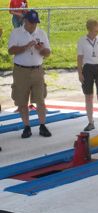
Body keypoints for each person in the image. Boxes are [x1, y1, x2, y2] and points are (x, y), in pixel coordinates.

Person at [8, 10, 51, 138]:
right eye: (31, 22)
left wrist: (41, 49)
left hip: (37, 70)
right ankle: (26, 127)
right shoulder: (16, 33)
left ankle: (42, 125)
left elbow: (48, 53)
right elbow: (11, 50)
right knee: (22, 100)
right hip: (21, 70)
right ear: (25, 21)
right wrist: (26, 46)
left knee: (40, 100)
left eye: (35, 23)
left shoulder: (41, 33)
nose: (33, 25)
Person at [77, 19, 98, 133]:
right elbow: (80, 58)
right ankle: (90, 122)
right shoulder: (82, 40)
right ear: (89, 30)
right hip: (88, 68)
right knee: (88, 96)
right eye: (95, 31)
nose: (97, 33)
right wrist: (80, 73)